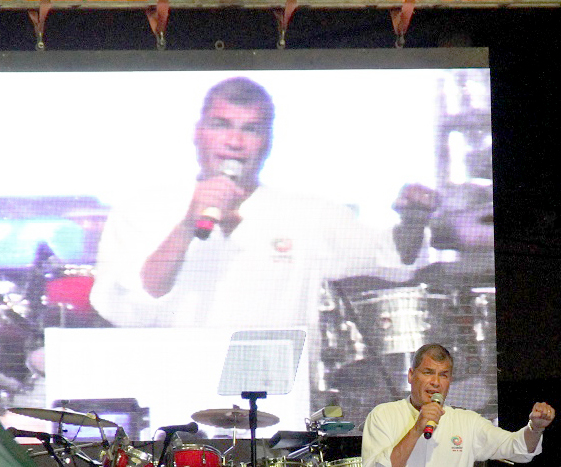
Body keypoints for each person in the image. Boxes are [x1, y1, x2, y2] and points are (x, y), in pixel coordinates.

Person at [89, 77, 440, 423]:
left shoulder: (307, 215)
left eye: (251, 129)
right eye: (221, 125)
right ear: (198, 132)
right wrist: (187, 225)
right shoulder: (143, 209)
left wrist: (414, 220)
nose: (234, 142)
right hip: (173, 412)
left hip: (277, 414)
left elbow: (394, 258)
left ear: (268, 141)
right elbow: (128, 306)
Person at [362, 344, 554, 467]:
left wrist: (535, 428)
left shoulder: (467, 422)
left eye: (443, 375)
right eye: (428, 373)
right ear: (411, 375)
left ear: (450, 381)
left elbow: (517, 448)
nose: (435, 382)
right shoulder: (383, 416)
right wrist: (416, 430)